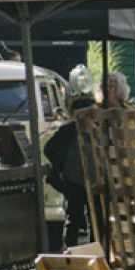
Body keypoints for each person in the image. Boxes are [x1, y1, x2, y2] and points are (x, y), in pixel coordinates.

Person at [45, 95, 97, 248]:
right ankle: (71, 249)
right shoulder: (68, 131)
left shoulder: (96, 130)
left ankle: (96, 249)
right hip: (74, 180)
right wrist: (60, 167)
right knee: (74, 216)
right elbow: (49, 149)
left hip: (94, 180)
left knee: (96, 219)